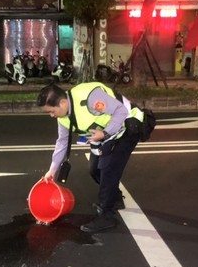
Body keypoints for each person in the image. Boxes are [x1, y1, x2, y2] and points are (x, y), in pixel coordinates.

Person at [36, 82, 145, 233]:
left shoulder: (90, 98)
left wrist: (105, 133)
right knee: (94, 169)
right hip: (104, 136)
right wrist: (52, 170)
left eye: (51, 111)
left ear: (62, 102)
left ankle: (107, 216)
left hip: (126, 129)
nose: (51, 115)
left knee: (108, 170)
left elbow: (121, 111)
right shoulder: (63, 117)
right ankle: (115, 198)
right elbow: (62, 143)